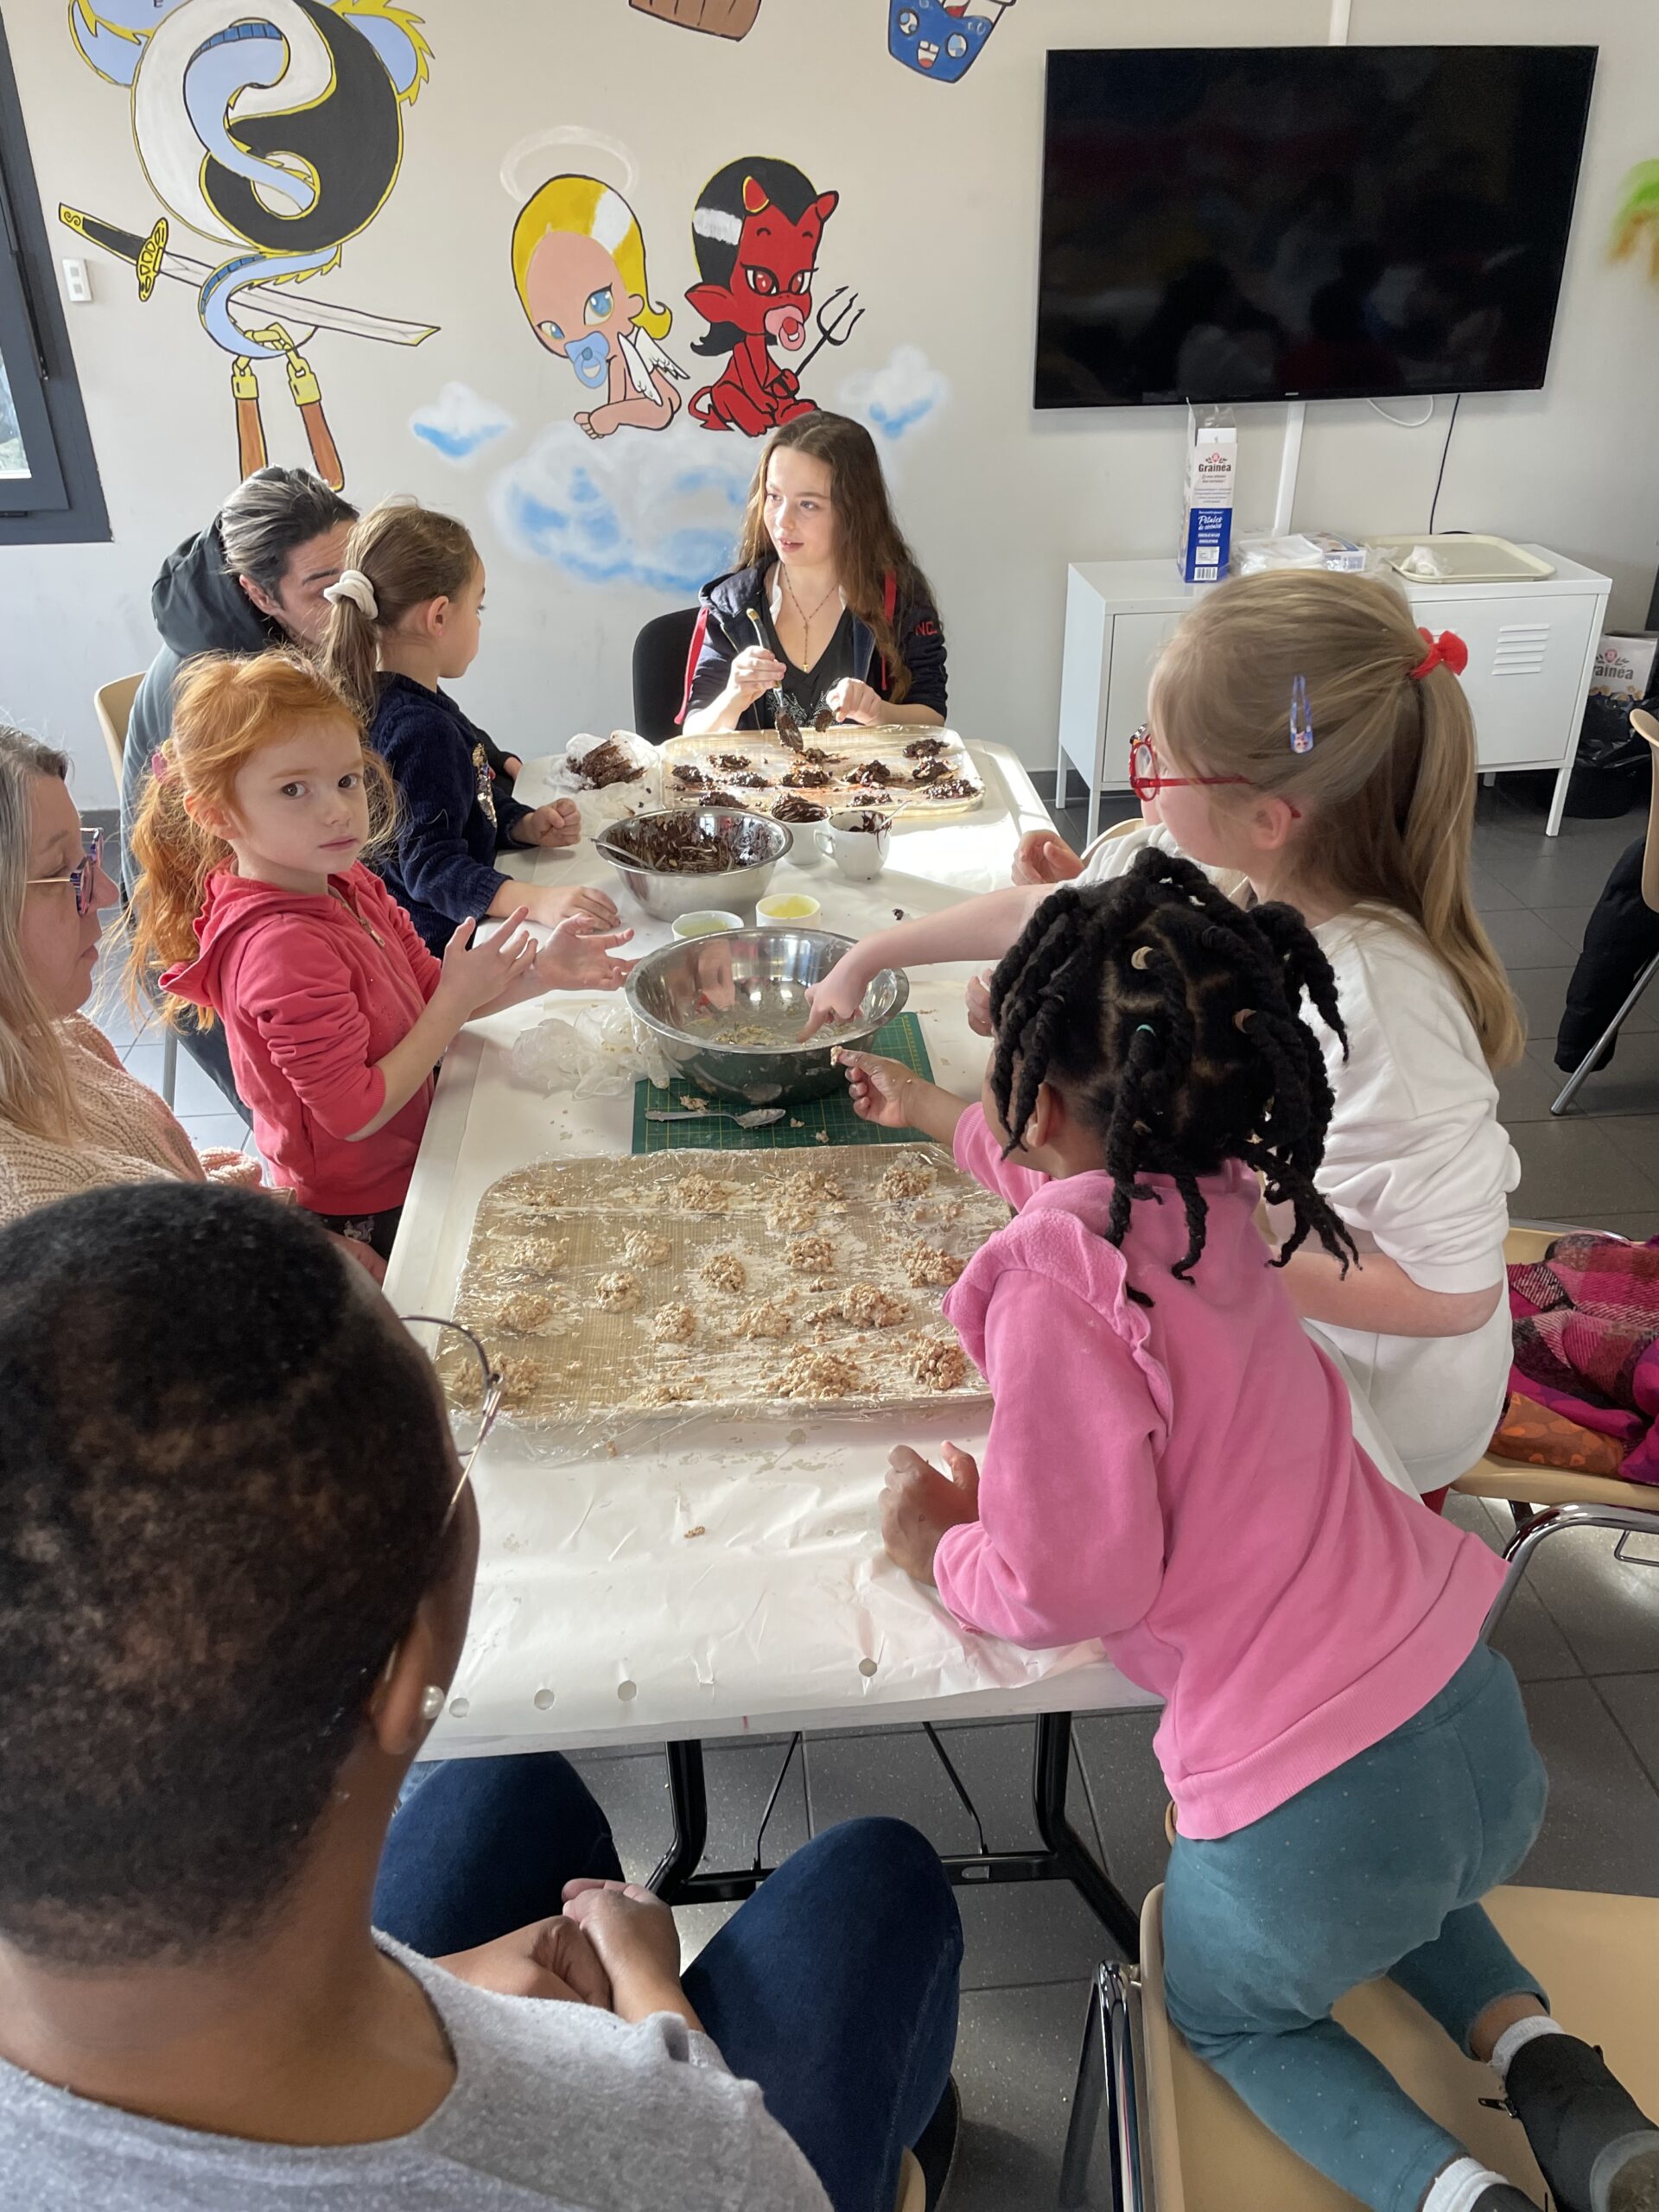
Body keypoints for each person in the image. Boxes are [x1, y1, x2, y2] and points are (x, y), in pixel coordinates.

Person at [842, 850, 1659, 2212]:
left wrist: (943, 1548)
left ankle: (1458, 2197)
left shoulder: (1053, 1290)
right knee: (1408, 1886)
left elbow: (1070, 1582)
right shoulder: (1216, 1193)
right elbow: (1084, 1193)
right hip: (1474, 1727)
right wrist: (941, 1116)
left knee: (1229, 2013)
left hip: (1306, 1808)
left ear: (1039, 1100)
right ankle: (1551, 2067)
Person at [0, 1180, 963, 2211]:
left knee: (511, 1787)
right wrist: (652, 2002)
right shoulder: (702, 2166)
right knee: (878, 1883)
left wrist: (451, 1978)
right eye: (458, 1466)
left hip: (305, 2014)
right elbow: (691, 2143)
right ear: (403, 1672)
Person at [809, 570, 1522, 1499]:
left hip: (1375, 1408)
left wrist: (1210, 1259)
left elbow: (1455, 1294)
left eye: (1158, 761)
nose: (1141, 779)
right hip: (1266, 1304)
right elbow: (1048, 910)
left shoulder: (1381, 1009)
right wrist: (873, 954)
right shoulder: (1233, 871)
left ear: (1268, 816)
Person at [125, 651, 632, 1262]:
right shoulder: (281, 950)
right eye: (293, 789)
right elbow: (353, 1112)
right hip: (362, 1209)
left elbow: (429, 997)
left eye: (347, 780)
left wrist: (541, 973)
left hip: (416, 1145)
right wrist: (453, 1001)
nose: (338, 809)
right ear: (217, 815)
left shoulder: (347, 879)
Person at [0, 723, 396, 1281]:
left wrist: (285, 1229)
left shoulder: (59, 1035)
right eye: (60, 872)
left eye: (85, 856)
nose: (107, 893)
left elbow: (159, 1178)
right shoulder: (32, 1219)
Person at [123, 467, 359, 1113]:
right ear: (257, 591)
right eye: (324, 588)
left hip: (290, 875)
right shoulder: (216, 689)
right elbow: (211, 879)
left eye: (358, 573)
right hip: (205, 928)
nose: (355, 603)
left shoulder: (302, 623)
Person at [321, 500, 617, 952]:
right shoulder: (420, 730)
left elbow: (462, 797)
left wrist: (521, 824)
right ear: (439, 616)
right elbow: (432, 867)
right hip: (441, 953)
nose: (479, 622)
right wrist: (538, 901)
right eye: (478, 607)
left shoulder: (392, 700)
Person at [680, 412, 948, 737]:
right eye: (774, 497)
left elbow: (932, 715)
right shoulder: (731, 605)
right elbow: (693, 732)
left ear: (854, 512)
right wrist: (732, 699)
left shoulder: (898, 596)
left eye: (808, 504)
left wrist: (880, 713)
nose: (783, 521)